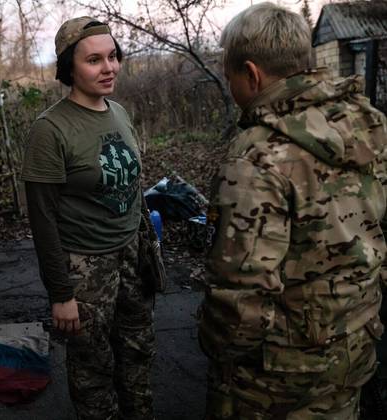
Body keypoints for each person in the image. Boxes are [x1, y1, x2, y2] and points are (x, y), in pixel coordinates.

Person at [198, 2, 387, 418]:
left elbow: (240, 294)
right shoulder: (363, 123)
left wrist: (217, 350)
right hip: (356, 344)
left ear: (251, 74)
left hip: (279, 380)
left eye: (231, 75)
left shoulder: (256, 157)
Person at [20, 16, 155, 420]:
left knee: (138, 355)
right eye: (94, 60)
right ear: (69, 68)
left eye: (113, 56)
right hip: (85, 270)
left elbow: (133, 188)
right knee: (93, 371)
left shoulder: (119, 112)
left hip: (131, 257)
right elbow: (42, 221)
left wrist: (147, 247)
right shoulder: (50, 130)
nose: (109, 67)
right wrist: (61, 295)